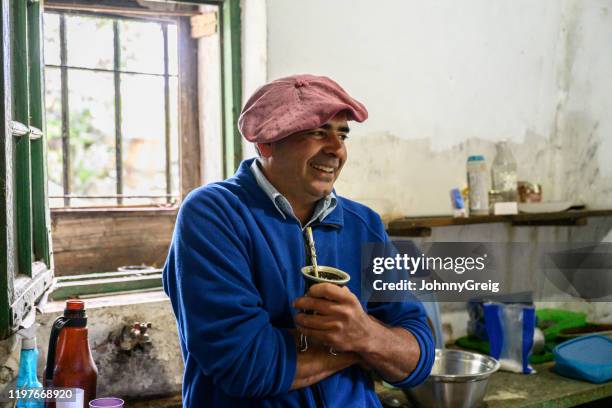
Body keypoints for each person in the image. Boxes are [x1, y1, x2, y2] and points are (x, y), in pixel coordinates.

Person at [163, 74, 434, 407]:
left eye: (342, 134)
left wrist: (365, 333)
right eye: (318, 132)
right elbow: (245, 366)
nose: (337, 150)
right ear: (266, 142)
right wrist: (368, 345)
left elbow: (419, 356)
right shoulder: (214, 214)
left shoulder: (364, 224)